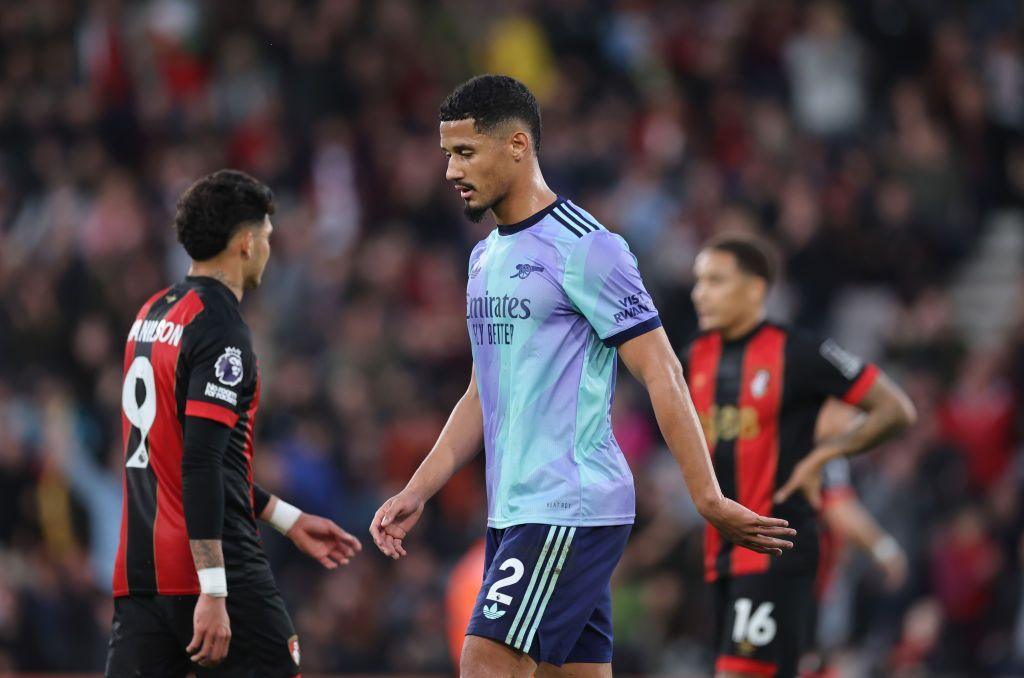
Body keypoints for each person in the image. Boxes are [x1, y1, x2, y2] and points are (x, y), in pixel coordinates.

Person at [368, 74, 795, 678]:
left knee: (484, 664)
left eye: (464, 152)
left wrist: (707, 495)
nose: (450, 171)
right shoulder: (483, 258)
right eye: (446, 155)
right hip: (515, 510)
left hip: (567, 505)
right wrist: (418, 488)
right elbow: (482, 392)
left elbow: (662, 370)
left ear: (517, 145)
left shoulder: (588, 248)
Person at [106, 170, 362, 677]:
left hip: (139, 577)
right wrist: (214, 590)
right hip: (212, 573)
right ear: (245, 242)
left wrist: (288, 521)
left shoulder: (151, 313)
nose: (269, 247)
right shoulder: (220, 329)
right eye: (266, 236)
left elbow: (193, 459)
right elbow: (200, 465)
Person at [681, 233, 916, 677]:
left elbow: (896, 409)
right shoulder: (693, 356)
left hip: (776, 550)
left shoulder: (798, 351)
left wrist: (824, 456)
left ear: (755, 289)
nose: (700, 292)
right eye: (698, 280)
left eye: (716, 280)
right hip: (721, 553)